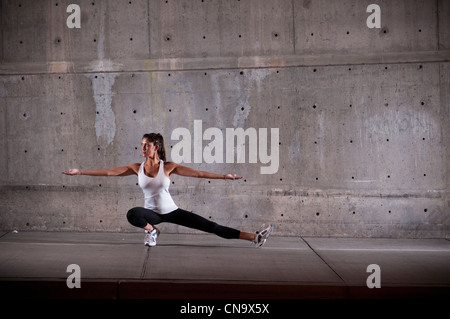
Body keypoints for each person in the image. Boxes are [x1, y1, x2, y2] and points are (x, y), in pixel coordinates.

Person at [62, 133, 273, 247]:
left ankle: (253, 237)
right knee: (132, 214)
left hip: (172, 211)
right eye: (141, 145)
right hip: (152, 214)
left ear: (156, 147)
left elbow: (199, 174)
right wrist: (80, 172)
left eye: (146, 145)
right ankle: (152, 231)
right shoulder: (137, 168)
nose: (142, 148)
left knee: (212, 227)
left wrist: (225, 177)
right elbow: (109, 172)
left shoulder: (168, 166)